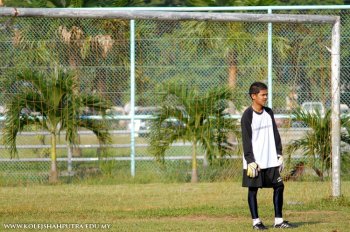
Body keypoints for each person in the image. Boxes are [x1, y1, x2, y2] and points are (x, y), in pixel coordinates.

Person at [241, 82, 293, 230]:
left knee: (279, 186)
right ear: (253, 96)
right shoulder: (247, 115)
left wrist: (279, 153)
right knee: (253, 190)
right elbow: (246, 140)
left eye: (266, 95)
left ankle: (278, 220)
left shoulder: (269, 112)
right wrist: (250, 160)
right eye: (262, 95)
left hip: (270, 159)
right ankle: (256, 222)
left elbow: (275, 134)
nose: (265, 97)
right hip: (254, 162)